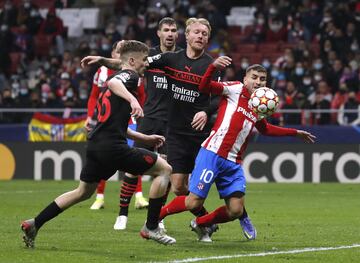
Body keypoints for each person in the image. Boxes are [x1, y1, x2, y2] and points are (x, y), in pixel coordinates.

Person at [80, 17, 255, 242]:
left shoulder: (213, 64)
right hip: (176, 133)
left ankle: (237, 215)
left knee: (214, 182)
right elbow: (133, 65)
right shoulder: (170, 58)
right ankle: (195, 222)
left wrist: (205, 111)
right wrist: (103, 60)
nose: (200, 36)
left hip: (202, 134)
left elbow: (219, 97)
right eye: (197, 33)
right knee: (180, 186)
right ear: (188, 35)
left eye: (204, 34)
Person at [21, 40, 176, 248]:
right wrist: (133, 100)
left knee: (82, 192)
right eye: (143, 60)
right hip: (113, 148)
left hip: (97, 145)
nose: (146, 64)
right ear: (131, 60)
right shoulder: (129, 77)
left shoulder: (124, 74)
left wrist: (145, 139)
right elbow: (114, 82)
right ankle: (151, 226)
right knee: (165, 170)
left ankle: (34, 223)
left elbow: (117, 122)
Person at [158, 56, 316, 242]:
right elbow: (204, 87)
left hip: (233, 162)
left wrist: (294, 132)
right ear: (245, 79)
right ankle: (155, 217)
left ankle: (201, 223)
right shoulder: (234, 89)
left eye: (262, 79)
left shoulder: (259, 103)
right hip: (213, 154)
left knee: (235, 210)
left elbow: (265, 129)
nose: (258, 82)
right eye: (254, 77)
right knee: (193, 201)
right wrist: (212, 67)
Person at [114, 17, 181, 230]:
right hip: (149, 118)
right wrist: (100, 60)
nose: (170, 33)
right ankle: (122, 214)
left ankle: (157, 218)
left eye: (173, 30)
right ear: (159, 33)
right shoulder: (148, 56)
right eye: (166, 30)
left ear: (177, 34)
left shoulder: (181, 58)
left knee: (167, 171)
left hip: (172, 122)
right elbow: (124, 65)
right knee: (134, 168)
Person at [86, 40, 149, 212]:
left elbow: (141, 95)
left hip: (129, 121)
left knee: (133, 159)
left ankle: (139, 196)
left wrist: (139, 112)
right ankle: (100, 196)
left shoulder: (134, 73)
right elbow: (94, 97)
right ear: (114, 54)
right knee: (110, 159)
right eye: (117, 49)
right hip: (108, 121)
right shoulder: (103, 72)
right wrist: (90, 117)